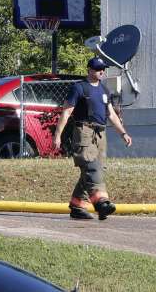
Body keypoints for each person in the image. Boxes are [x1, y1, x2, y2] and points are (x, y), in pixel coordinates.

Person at [53, 57, 132, 221]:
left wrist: (123, 133)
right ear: (89, 69)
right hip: (84, 132)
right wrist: (57, 135)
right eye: (97, 69)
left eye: (103, 68)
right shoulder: (79, 88)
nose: (101, 71)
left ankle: (77, 206)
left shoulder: (104, 90)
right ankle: (101, 203)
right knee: (91, 167)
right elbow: (66, 112)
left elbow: (111, 114)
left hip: (100, 134)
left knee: (95, 170)